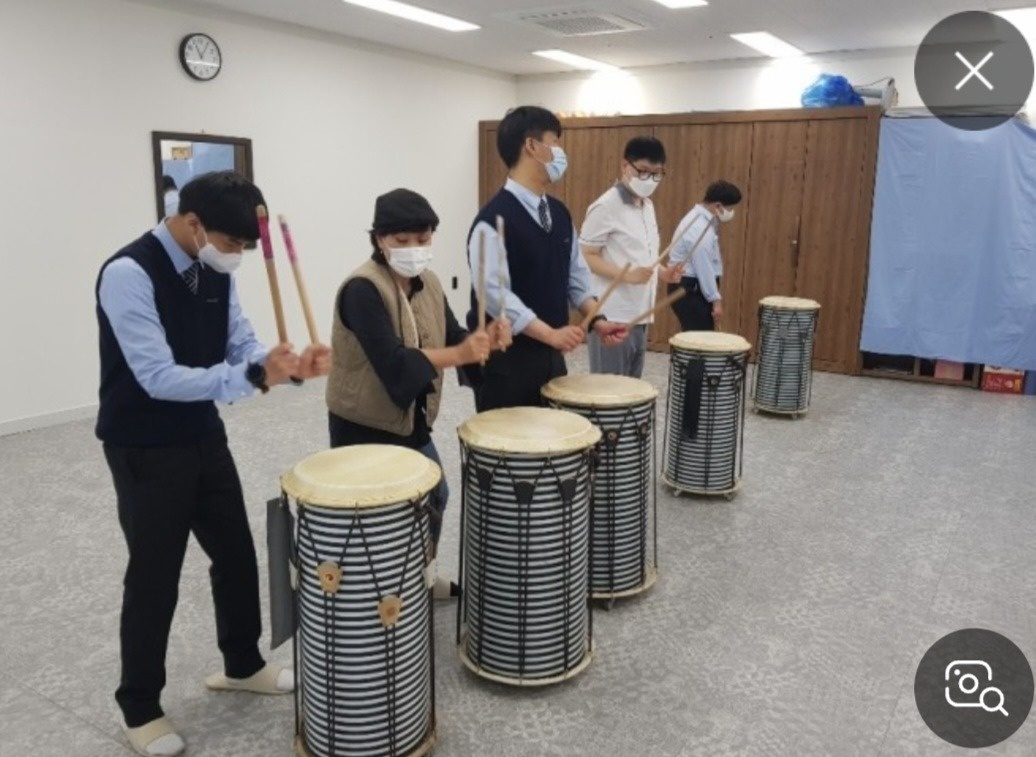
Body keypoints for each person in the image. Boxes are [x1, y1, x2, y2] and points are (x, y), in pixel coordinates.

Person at [96, 170, 330, 757]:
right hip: (143, 444)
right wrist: (253, 376)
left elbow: (241, 343)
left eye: (248, 248)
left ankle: (242, 662)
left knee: (234, 553)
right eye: (233, 245)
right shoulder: (127, 273)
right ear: (194, 223)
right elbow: (156, 376)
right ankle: (140, 706)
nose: (239, 258)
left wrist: (284, 366)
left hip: (201, 431)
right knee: (155, 573)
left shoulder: (214, 269)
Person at [326, 188, 510, 595]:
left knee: (434, 494)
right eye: (401, 241)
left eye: (423, 239)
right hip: (364, 422)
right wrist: (459, 351)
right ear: (379, 240)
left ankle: (421, 579)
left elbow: (453, 336)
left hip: (413, 415)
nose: (414, 249)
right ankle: (381, 597)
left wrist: (484, 339)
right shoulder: (362, 290)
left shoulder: (428, 282)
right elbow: (395, 364)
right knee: (377, 517)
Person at [467, 105, 627, 410]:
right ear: (532, 146)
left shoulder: (559, 213)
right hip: (507, 362)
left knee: (554, 447)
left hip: (552, 359)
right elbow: (496, 294)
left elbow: (576, 278)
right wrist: (550, 333)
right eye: (555, 143)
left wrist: (597, 320)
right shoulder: (492, 221)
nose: (560, 152)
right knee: (513, 451)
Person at [580, 136, 679, 377]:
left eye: (657, 174)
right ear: (625, 166)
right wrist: (627, 276)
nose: (650, 180)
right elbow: (585, 256)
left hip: (641, 314)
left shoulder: (648, 206)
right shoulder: (605, 206)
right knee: (608, 395)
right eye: (644, 171)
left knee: (631, 394)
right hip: (611, 315)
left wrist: (663, 272)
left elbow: (644, 255)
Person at [665, 180, 743, 332]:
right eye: (729, 208)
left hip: (691, 289)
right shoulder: (699, 227)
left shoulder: (701, 219)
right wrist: (716, 301)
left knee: (693, 340)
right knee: (699, 343)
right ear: (718, 206)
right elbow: (704, 268)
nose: (731, 212)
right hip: (691, 291)